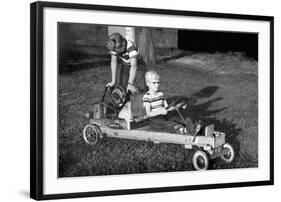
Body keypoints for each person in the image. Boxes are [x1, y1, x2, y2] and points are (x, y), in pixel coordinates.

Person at [143, 70, 201, 135]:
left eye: (158, 83)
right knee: (169, 124)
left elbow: (167, 107)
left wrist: (178, 106)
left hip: (163, 116)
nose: (157, 85)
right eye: (154, 83)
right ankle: (185, 130)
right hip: (155, 120)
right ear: (147, 83)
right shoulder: (147, 97)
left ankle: (191, 128)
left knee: (176, 118)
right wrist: (160, 112)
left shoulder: (160, 94)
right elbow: (148, 114)